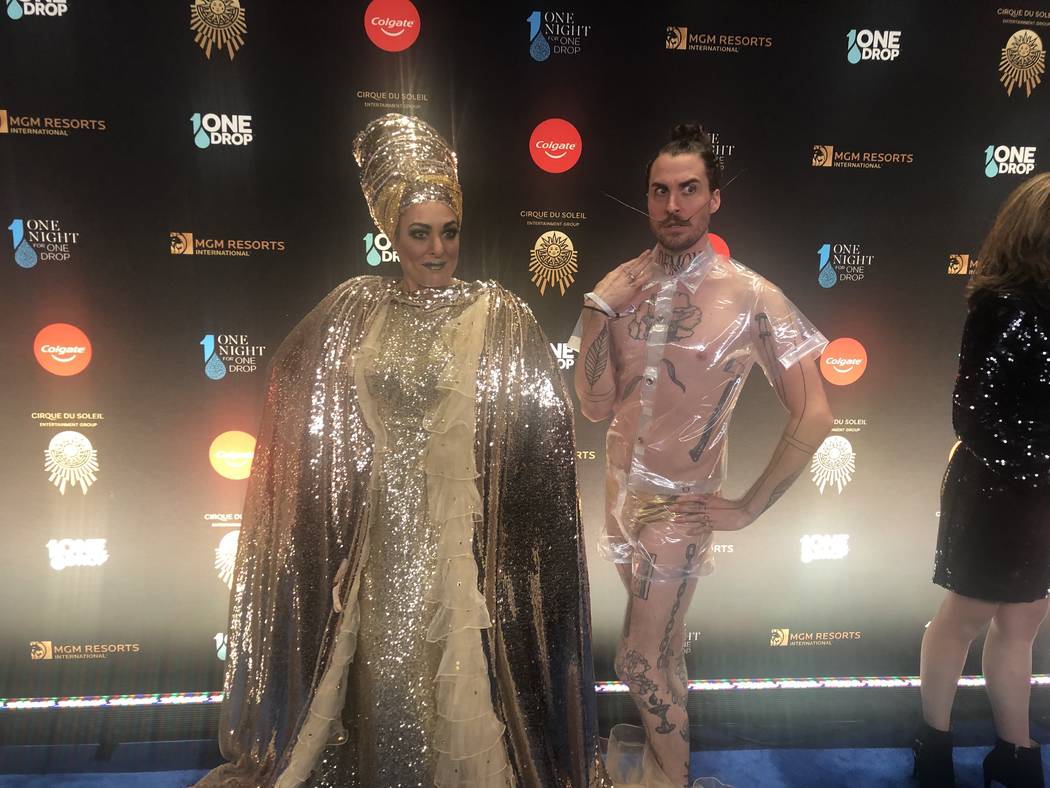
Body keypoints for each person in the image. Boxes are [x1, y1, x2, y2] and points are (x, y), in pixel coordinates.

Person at [195, 113, 606, 787]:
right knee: (388, 675)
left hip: (464, 538)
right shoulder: (357, 307)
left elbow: (541, 429)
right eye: (420, 233)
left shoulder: (498, 312)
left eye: (449, 232)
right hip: (381, 530)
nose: (438, 250)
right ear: (391, 234)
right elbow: (299, 384)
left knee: (460, 675)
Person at [572, 124, 833, 788]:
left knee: (636, 662)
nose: (674, 206)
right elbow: (596, 405)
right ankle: (670, 771)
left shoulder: (750, 297)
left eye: (689, 190)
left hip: (678, 512)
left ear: (714, 199)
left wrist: (747, 506)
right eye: (661, 191)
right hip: (620, 506)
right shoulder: (625, 288)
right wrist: (599, 309)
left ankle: (672, 781)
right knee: (660, 653)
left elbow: (815, 410)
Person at [914, 173, 1050, 788]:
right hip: (998, 490)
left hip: (1044, 495)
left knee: (1023, 624)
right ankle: (934, 743)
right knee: (963, 618)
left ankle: (1015, 750)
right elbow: (973, 414)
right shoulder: (1000, 306)